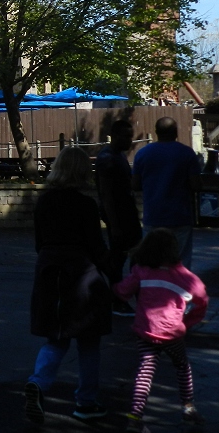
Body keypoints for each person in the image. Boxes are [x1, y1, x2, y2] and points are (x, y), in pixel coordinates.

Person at [25, 146, 111, 426]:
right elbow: (96, 247)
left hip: (49, 270)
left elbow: (40, 242)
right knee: (88, 341)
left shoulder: (45, 202)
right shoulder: (86, 205)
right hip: (81, 273)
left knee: (56, 336)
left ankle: (38, 383)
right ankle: (86, 402)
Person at [114, 228, 208, 432]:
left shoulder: (141, 270)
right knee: (182, 366)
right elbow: (202, 300)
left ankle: (135, 415)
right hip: (172, 333)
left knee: (145, 370)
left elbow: (122, 292)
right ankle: (188, 407)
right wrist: (188, 322)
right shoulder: (186, 278)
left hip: (145, 330)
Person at [132, 117, 202, 268]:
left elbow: (135, 185)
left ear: (156, 132)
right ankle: (179, 290)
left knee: (151, 261)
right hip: (180, 216)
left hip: (153, 216)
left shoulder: (142, 154)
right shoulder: (187, 154)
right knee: (180, 261)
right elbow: (196, 185)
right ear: (176, 132)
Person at [95, 120, 142, 316]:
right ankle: (117, 298)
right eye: (125, 136)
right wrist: (113, 224)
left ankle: (124, 295)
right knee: (119, 258)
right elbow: (106, 194)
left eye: (130, 136)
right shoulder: (108, 159)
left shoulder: (118, 156)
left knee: (130, 255)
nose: (129, 140)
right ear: (114, 135)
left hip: (126, 213)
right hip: (119, 215)